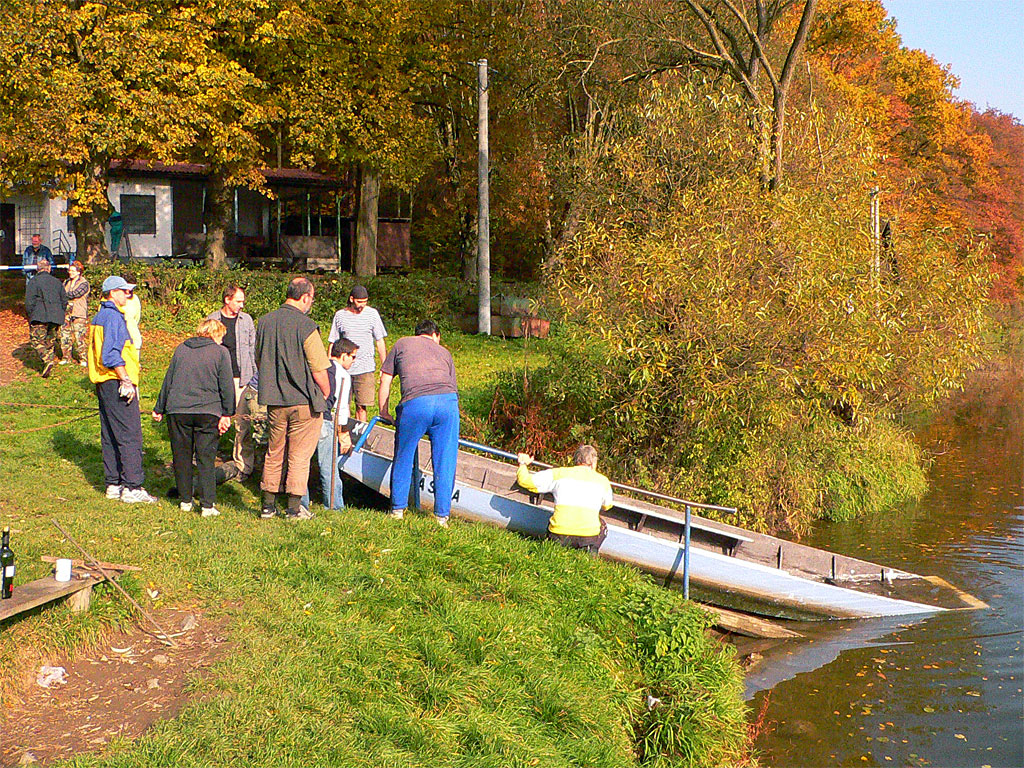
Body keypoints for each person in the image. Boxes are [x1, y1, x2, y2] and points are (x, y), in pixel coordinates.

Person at [255, 277, 331, 520]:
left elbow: (259, 358)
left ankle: (267, 506)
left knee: (274, 451)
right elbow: (318, 367)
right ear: (305, 297)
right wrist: (326, 391)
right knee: (299, 456)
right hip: (304, 401)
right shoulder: (307, 325)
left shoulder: (265, 322)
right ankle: (294, 509)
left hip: (275, 400)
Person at [378, 319, 459, 527]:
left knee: (404, 455)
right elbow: (452, 390)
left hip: (415, 403)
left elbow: (385, 378)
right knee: (445, 460)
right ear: (436, 336)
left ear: (417, 334)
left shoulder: (402, 343)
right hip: (447, 404)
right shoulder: (445, 353)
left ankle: (397, 510)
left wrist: (384, 411)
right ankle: (442, 517)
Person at [152, 319, 235, 517]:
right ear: (215, 334)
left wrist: (159, 407)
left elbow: (168, 379)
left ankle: (185, 501)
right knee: (206, 458)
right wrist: (227, 413)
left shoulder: (181, 349)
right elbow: (226, 385)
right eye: (221, 337)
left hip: (177, 410)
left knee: (181, 457)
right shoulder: (220, 353)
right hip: (208, 412)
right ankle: (207, 505)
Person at [88, 276, 156, 504]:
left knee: (109, 434)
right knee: (130, 435)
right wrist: (125, 380)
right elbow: (110, 355)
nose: (129, 295)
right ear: (113, 292)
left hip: (103, 383)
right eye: (126, 291)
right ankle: (132, 486)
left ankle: (113, 483)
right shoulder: (115, 317)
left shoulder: (99, 315)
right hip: (117, 382)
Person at [515, 445, 613, 554]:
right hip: (587, 537)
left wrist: (523, 464)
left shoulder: (559, 473)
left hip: (559, 534)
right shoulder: (603, 481)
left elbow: (525, 480)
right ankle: (591, 552)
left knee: (555, 517)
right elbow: (607, 506)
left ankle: (552, 546)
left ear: (575, 460)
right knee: (602, 525)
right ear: (594, 463)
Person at [207, 285, 258, 480]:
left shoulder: (247, 321)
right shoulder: (213, 319)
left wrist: (252, 375)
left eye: (242, 301)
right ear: (227, 300)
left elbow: (253, 349)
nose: (241, 305)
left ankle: (243, 466)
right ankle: (207, 457)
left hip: (241, 379)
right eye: (238, 301)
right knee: (213, 419)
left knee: (241, 423)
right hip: (217, 379)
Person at [327, 285, 387, 422]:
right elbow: (332, 342)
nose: (362, 305)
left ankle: (360, 436)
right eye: (359, 302)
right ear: (352, 299)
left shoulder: (372, 314)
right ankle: (343, 435)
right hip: (343, 369)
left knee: (362, 406)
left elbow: (380, 341)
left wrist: (385, 366)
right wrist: (329, 364)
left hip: (365, 369)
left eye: (365, 302)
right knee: (342, 405)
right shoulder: (340, 315)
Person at [316, 338, 358, 510]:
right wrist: (343, 434)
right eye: (352, 357)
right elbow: (341, 407)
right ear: (343, 355)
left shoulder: (319, 367)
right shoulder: (343, 375)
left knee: (301, 463)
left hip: (306, 419)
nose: (354, 361)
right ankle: (334, 507)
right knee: (329, 466)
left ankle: (299, 504)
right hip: (325, 420)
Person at [25, 257, 67, 378]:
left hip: (39, 315)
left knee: (36, 341)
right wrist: (60, 312)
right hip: (55, 316)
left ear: (38, 269)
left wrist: (31, 314)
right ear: (49, 268)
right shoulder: (57, 282)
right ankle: (47, 364)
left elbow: (29, 301)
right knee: (50, 341)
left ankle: (47, 360)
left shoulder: (34, 281)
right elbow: (64, 300)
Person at [60, 261, 90, 367]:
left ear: (79, 272)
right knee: (65, 336)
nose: (70, 272)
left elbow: (75, 294)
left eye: (73, 270)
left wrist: (63, 295)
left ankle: (83, 358)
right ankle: (66, 357)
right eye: (70, 270)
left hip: (79, 313)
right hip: (66, 313)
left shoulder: (84, 283)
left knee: (79, 337)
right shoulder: (66, 282)